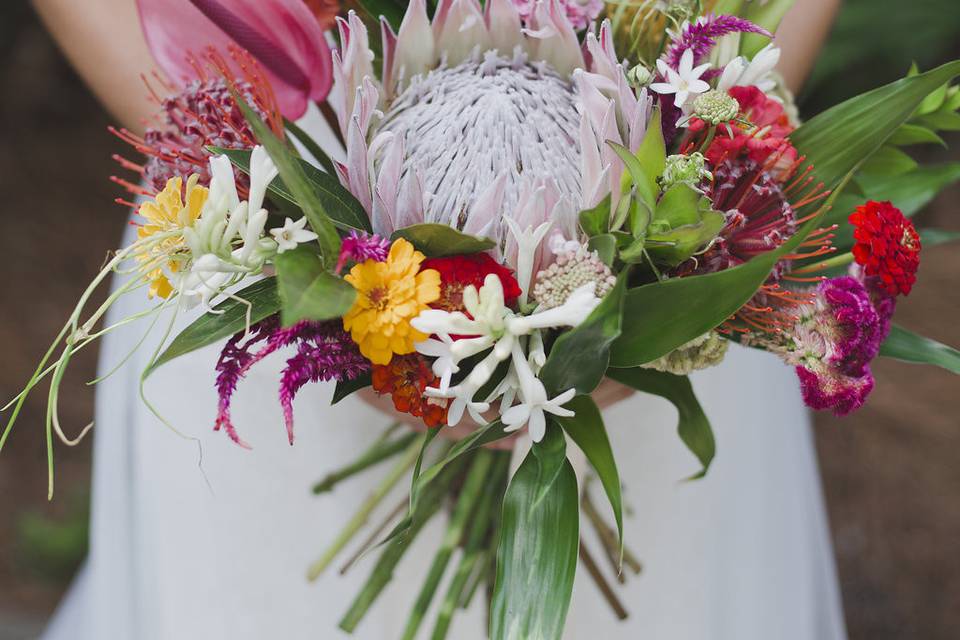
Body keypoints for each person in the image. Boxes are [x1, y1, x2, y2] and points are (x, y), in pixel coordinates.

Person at [35, 0, 845, 638]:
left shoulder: (670, 158)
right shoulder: (270, 162)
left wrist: (704, 173)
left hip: (657, 157)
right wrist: (245, 179)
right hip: (279, 180)